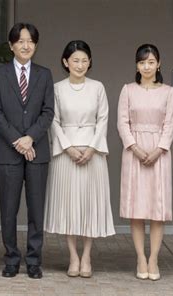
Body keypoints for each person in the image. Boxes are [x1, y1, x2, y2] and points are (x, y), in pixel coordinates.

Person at [44, 40, 115, 278]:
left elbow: (103, 119)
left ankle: (87, 256)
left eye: (85, 60)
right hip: (66, 154)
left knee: (89, 205)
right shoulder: (56, 88)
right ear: (65, 62)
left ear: (90, 62)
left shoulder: (98, 87)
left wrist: (92, 148)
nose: (80, 64)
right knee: (69, 205)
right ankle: (73, 256)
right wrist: (68, 148)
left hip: (93, 154)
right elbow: (52, 120)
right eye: (75, 60)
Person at [0, 23, 54, 279]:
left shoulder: (44, 74)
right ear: (11, 45)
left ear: (35, 45)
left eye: (31, 41)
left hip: (37, 152)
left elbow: (48, 112)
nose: (26, 46)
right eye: (21, 41)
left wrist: (30, 138)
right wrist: (18, 140)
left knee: (36, 209)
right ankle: (12, 259)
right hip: (7, 151)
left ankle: (34, 261)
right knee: (8, 208)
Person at [117, 44, 173, 281]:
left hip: (159, 153)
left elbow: (170, 124)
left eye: (151, 62)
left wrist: (158, 149)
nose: (147, 66)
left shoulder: (168, 92)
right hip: (134, 153)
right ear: (137, 65)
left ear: (158, 64)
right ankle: (141, 257)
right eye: (142, 62)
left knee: (157, 210)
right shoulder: (128, 90)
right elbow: (122, 123)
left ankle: (154, 259)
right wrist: (135, 147)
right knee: (137, 209)